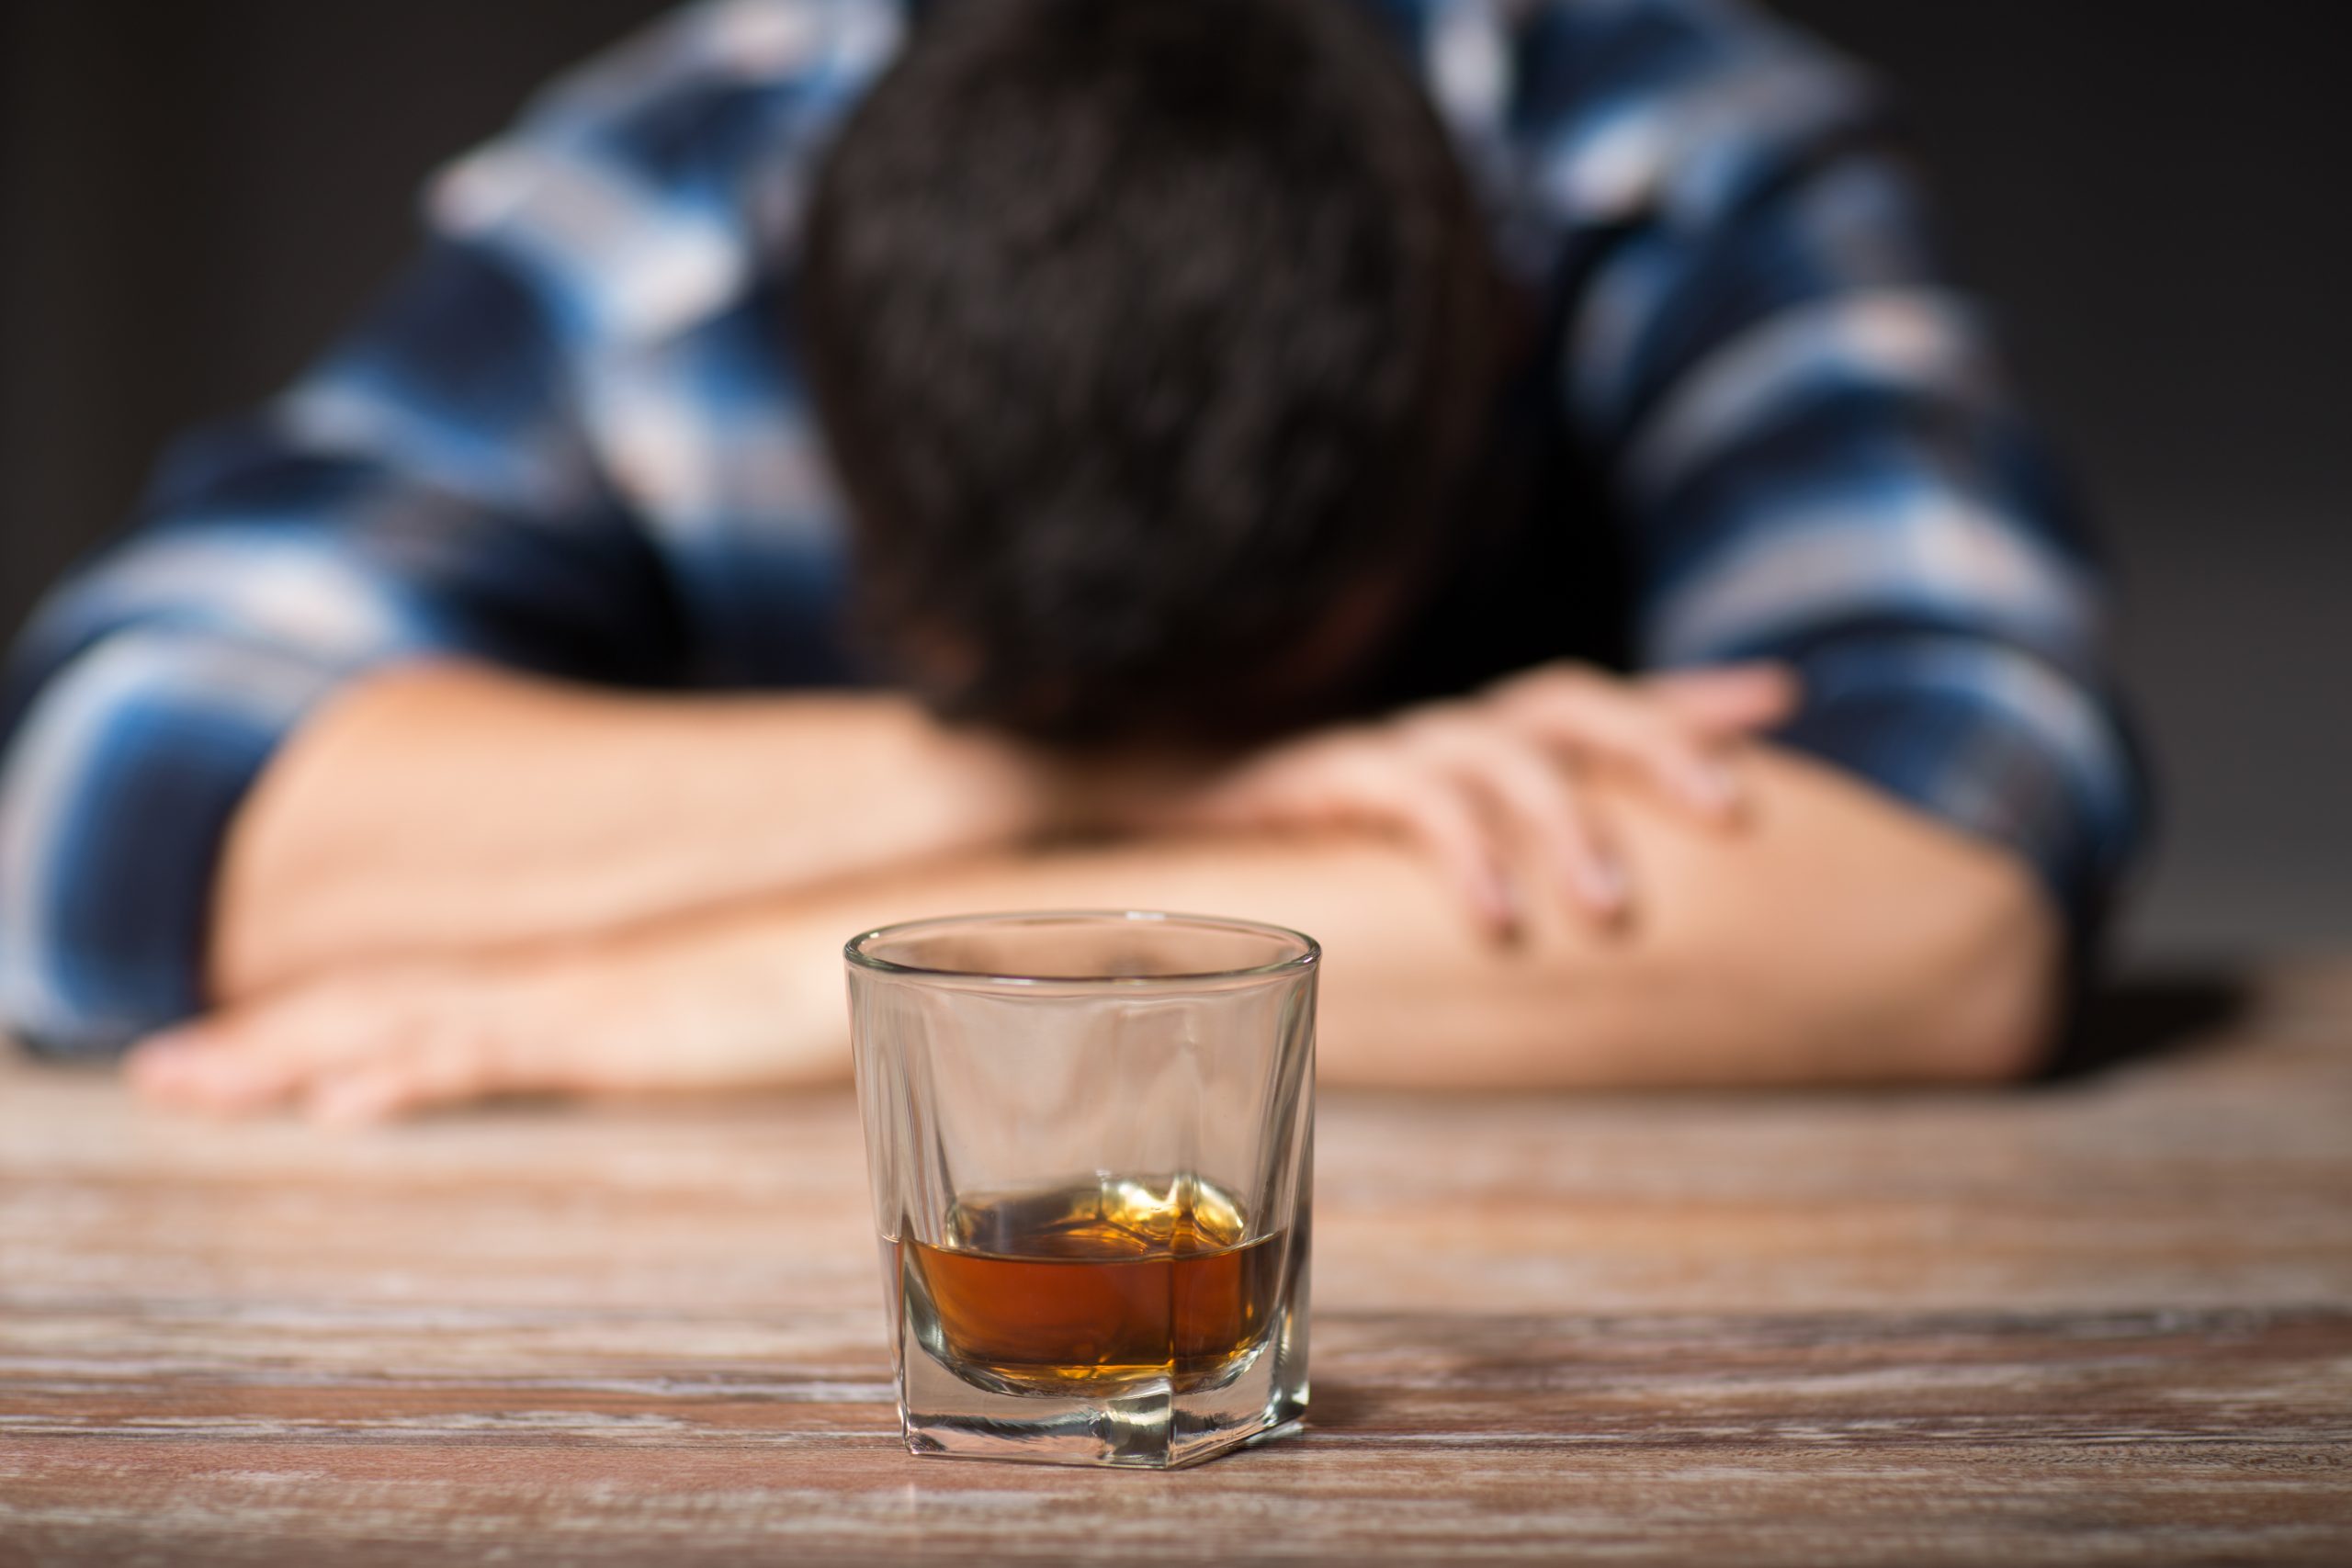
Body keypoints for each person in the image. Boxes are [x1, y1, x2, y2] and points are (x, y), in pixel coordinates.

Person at [0, 0, 2143, 1122]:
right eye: (1018, 712)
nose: (1198, 779)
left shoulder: (1667, 163)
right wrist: (1122, 802)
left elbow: (1936, 909)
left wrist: (738, 987)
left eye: (1270, 715)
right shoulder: (675, 211)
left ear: (1477, 352)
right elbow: (91, 809)